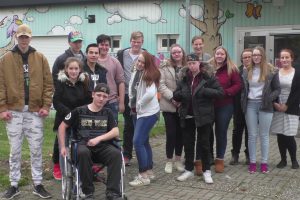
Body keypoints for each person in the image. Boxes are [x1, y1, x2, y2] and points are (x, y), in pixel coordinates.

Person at [0, 24, 53, 199]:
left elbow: (48, 85)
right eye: (21, 37)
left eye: (26, 37)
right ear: (16, 37)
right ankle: (14, 185)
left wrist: (45, 106)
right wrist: (2, 108)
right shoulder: (5, 59)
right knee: (14, 151)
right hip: (13, 112)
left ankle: (38, 184)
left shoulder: (40, 58)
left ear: (31, 38)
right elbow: (0, 86)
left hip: (34, 112)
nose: (24, 40)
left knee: (36, 149)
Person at [58, 83, 122, 200]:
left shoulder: (108, 113)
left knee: (116, 154)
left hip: (102, 147)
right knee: (83, 152)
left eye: (104, 96)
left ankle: (113, 193)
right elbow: (62, 127)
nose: (101, 98)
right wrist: (63, 146)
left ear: (107, 98)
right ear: (93, 95)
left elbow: (116, 131)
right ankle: (87, 192)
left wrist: (99, 138)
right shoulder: (78, 111)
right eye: (99, 95)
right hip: (83, 146)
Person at [173, 53, 223, 183]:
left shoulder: (208, 77)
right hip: (188, 116)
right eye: (189, 63)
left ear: (199, 63)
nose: (191, 66)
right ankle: (188, 170)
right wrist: (181, 94)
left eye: (194, 63)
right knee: (188, 145)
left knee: (204, 144)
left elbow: (220, 93)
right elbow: (176, 94)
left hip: (204, 116)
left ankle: (207, 171)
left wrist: (206, 91)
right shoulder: (184, 78)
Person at [51, 30, 85, 180]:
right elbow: (55, 79)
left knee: (80, 139)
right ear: (69, 42)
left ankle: (81, 165)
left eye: (79, 41)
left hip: (78, 110)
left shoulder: (83, 56)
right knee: (61, 140)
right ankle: (58, 164)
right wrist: (67, 111)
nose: (78, 44)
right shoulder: (61, 58)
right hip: (64, 109)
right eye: (75, 41)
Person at [241, 46, 280, 174]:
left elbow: (277, 89)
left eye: (258, 55)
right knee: (252, 135)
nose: (256, 57)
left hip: (265, 106)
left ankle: (264, 163)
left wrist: (269, 98)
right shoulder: (247, 70)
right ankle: (252, 162)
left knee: (264, 135)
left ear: (263, 56)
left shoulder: (271, 70)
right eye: (254, 55)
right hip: (250, 105)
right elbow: (244, 89)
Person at [52, 57, 92, 177]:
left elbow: (88, 99)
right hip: (63, 118)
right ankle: (62, 170)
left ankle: (80, 168)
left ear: (80, 69)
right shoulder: (60, 82)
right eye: (71, 68)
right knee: (62, 145)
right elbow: (56, 101)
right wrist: (69, 113)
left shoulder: (84, 82)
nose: (73, 71)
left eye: (76, 68)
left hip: (80, 119)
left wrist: (81, 112)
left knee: (80, 144)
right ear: (66, 69)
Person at [128, 51, 161, 187]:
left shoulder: (149, 74)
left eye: (143, 62)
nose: (140, 64)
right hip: (137, 112)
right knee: (144, 141)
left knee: (137, 141)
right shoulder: (136, 71)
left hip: (148, 113)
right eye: (138, 61)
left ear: (148, 63)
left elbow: (151, 93)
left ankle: (143, 175)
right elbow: (133, 88)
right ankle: (149, 171)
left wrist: (139, 103)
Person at [209, 46, 242, 173]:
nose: (219, 56)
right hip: (209, 105)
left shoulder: (231, 69)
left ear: (225, 55)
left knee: (221, 132)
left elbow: (238, 85)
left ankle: (220, 159)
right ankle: (209, 156)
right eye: (217, 53)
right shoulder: (208, 68)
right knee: (207, 132)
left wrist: (226, 92)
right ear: (214, 54)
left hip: (225, 105)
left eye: (222, 54)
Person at [117, 31, 145, 166]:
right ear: (130, 42)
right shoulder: (122, 54)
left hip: (142, 93)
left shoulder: (146, 55)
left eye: (138, 42)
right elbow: (118, 73)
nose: (136, 44)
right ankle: (127, 154)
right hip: (127, 93)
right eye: (134, 41)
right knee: (128, 125)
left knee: (140, 124)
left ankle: (143, 153)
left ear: (142, 43)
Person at [270, 49, 300, 169]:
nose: (284, 60)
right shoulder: (275, 72)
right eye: (282, 58)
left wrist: (287, 105)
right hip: (278, 105)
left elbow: (297, 92)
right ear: (279, 59)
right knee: (280, 135)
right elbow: (271, 89)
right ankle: (283, 160)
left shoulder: (297, 73)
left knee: (289, 134)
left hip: (291, 106)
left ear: (292, 58)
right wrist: (275, 103)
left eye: (287, 57)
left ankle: (294, 160)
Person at [158, 44, 186, 174]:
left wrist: (181, 100)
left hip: (183, 105)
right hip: (169, 104)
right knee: (171, 134)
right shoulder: (164, 66)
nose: (176, 54)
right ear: (171, 54)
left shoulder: (187, 66)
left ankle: (178, 160)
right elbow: (161, 84)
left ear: (182, 53)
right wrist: (173, 98)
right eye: (174, 52)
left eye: (178, 52)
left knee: (180, 134)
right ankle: (169, 160)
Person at [191, 36, 212, 172]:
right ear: (193, 45)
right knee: (193, 134)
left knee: (207, 134)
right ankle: (195, 159)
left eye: (200, 44)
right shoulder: (190, 57)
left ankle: (208, 158)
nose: (198, 46)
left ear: (203, 45)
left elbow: (211, 74)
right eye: (196, 44)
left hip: (205, 100)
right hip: (193, 102)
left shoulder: (209, 57)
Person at [230, 49, 252, 165]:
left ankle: (249, 154)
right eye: (245, 57)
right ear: (241, 59)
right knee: (237, 131)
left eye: (249, 57)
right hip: (238, 105)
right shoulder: (236, 71)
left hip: (252, 105)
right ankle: (235, 154)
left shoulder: (257, 71)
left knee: (250, 131)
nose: (247, 59)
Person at [96, 34, 125, 122]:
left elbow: (121, 82)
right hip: (95, 102)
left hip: (111, 102)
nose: (104, 47)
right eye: (102, 44)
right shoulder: (91, 61)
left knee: (112, 131)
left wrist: (121, 103)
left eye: (107, 45)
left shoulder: (115, 62)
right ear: (97, 45)